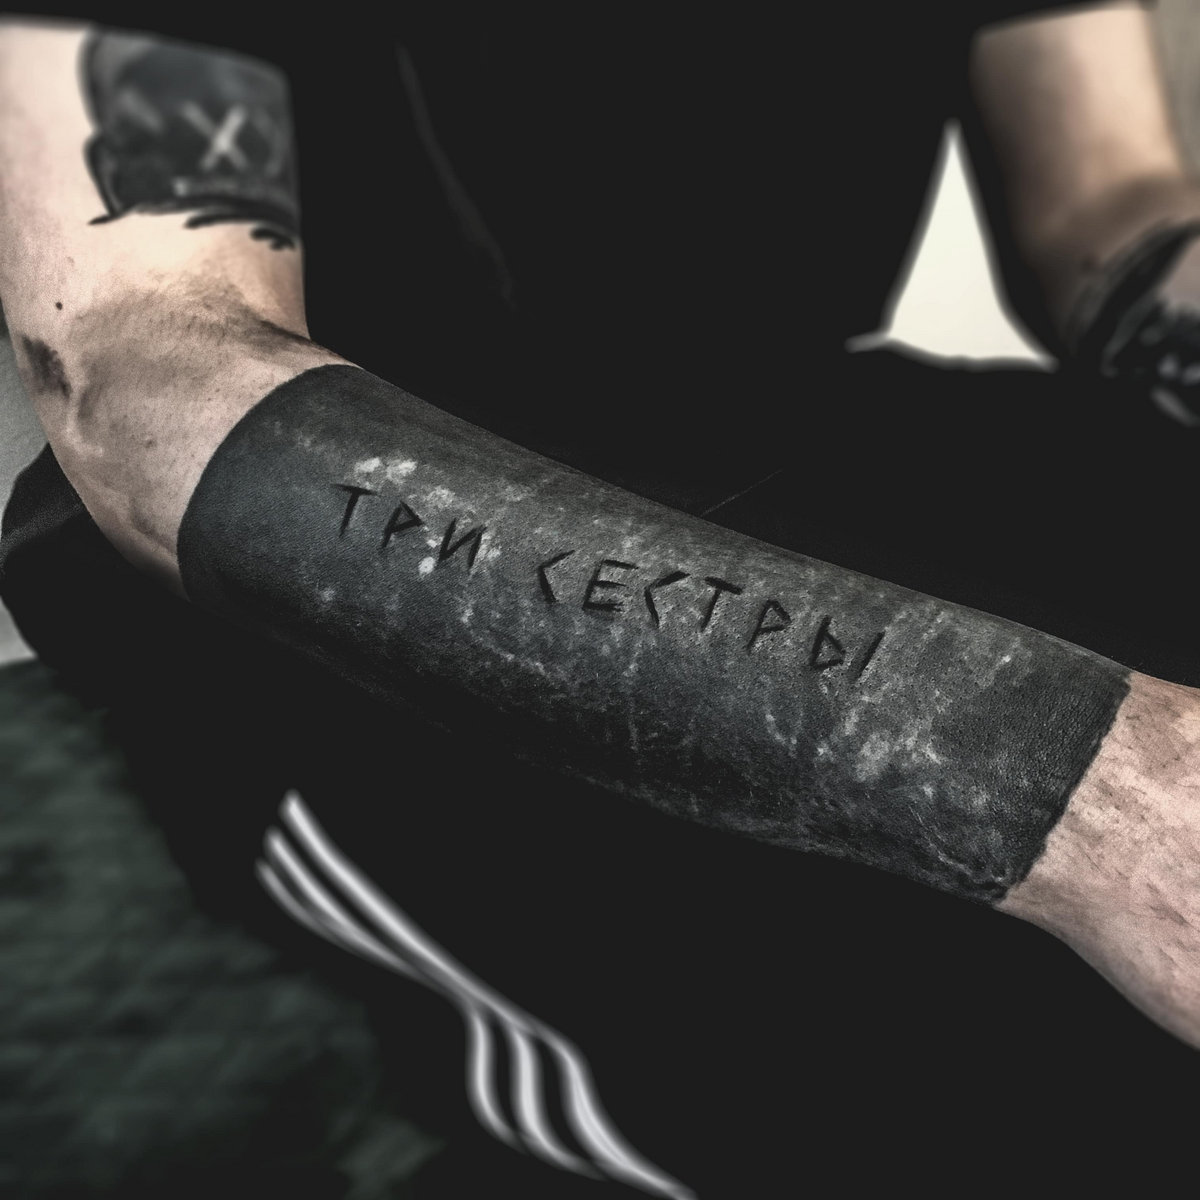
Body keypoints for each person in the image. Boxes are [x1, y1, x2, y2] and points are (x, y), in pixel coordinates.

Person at [1, 2, 1199, 1195]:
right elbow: (147, 361)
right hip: (343, 563)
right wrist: (1073, 781)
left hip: (831, 432)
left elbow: (1107, 205)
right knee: (1002, 1101)